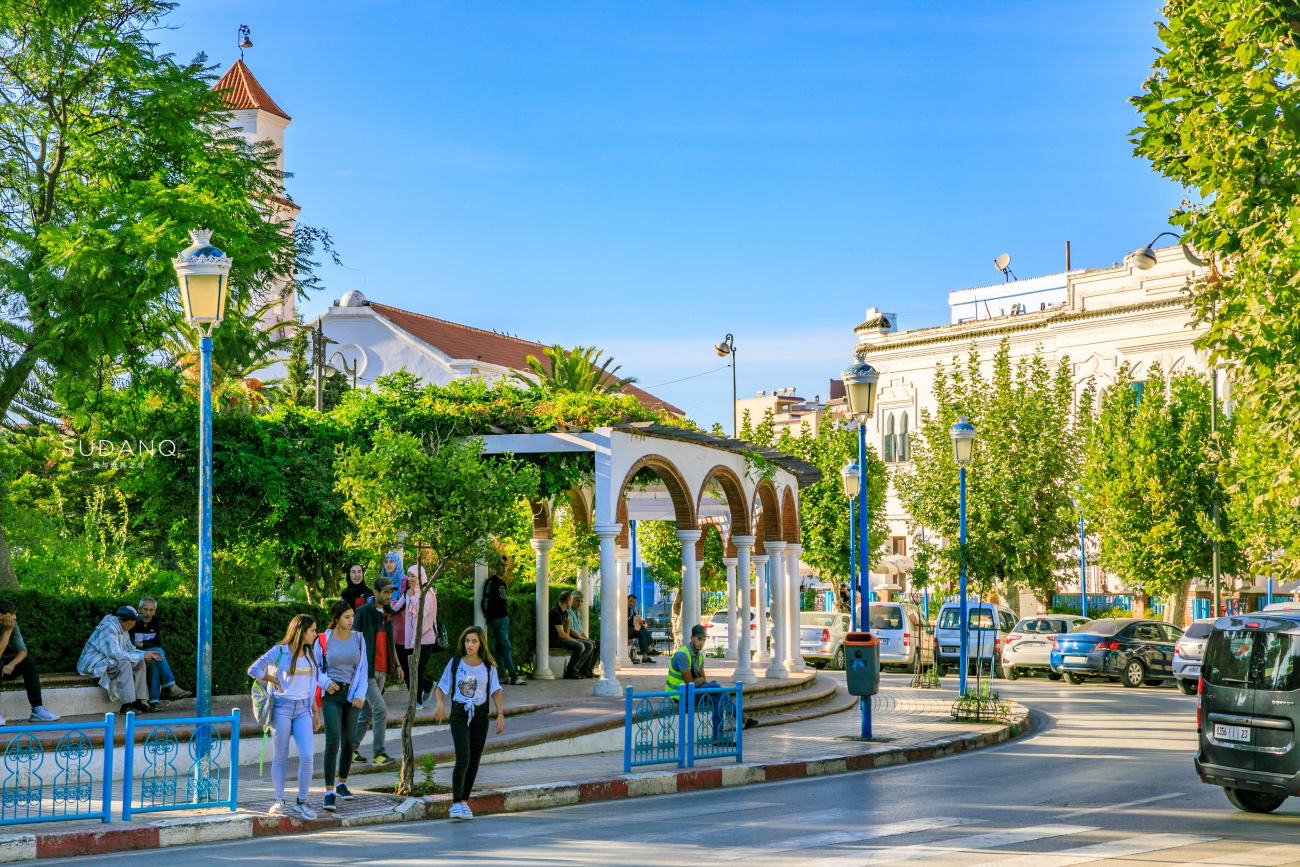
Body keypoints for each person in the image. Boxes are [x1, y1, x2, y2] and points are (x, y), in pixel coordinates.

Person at [248, 614, 323, 819]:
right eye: (312, 630)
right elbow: (252, 669)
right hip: (281, 707)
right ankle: (279, 800)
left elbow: (310, 687)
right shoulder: (279, 651)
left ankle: (302, 801)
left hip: (303, 710)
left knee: (307, 756)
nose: (315, 634)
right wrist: (272, 678)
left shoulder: (310, 654)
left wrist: (315, 712)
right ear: (301, 632)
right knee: (280, 756)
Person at [433, 625, 504, 820]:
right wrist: (440, 703)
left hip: (480, 716)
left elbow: (496, 691)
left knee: (474, 760)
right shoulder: (456, 662)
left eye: (473, 641)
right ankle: (455, 803)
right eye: (466, 641)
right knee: (463, 757)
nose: (469, 645)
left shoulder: (489, 665)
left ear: (481, 643)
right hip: (460, 714)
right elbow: (441, 687)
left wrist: (500, 714)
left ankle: (465, 801)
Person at [314, 600, 367, 812]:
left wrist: (361, 695)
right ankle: (329, 791)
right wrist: (326, 682)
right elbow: (315, 666)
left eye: (352, 616)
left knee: (348, 742)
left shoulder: (359, 639)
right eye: (346, 617)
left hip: (352, 695)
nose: (351, 620)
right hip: (331, 695)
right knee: (332, 740)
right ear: (336, 619)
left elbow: (363, 669)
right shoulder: (322, 640)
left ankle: (342, 783)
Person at [667, 625, 757, 743]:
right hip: (679, 695)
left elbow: (702, 678)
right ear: (692, 638)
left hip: (691, 692)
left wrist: (703, 681)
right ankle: (743, 717)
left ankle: (717, 738)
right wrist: (703, 681)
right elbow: (690, 684)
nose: (701, 643)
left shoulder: (699, 656)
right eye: (699, 639)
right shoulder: (682, 655)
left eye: (704, 640)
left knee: (716, 699)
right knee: (717, 687)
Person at [77, 605, 161, 714]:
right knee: (125, 663)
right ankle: (126, 705)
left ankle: (138, 702)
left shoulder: (123, 629)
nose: (135, 624)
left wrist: (145, 654)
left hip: (108, 661)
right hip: (93, 663)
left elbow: (129, 649)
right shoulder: (108, 628)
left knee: (140, 662)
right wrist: (141, 655)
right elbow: (115, 654)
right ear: (128, 622)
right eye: (134, 621)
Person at [352, 577, 400, 767]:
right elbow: (354, 641)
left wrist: (397, 665)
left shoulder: (388, 614)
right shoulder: (363, 613)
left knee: (367, 714)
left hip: (383, 670)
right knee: (380, 709)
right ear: (376, 593)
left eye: (391, 592)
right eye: (386, 592)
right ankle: (379, 753)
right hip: (367, 672)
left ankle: (350, 750)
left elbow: (390, 643)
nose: (389, 596)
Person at [0, 600, 59, 723]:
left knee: (29, 662)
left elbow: (23, 650)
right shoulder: (9, 627)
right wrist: (7, 631)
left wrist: (12, 664)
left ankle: (38, 710)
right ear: (2, 615)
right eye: (12, 614)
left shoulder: (13, 624)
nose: (15, 617)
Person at [129, 597, 191, 707]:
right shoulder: (133, 623)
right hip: (134, 654)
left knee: (154, 661)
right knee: (158, 652)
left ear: (154, 612)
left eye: (151, 610)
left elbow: (157, 644)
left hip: (149, 653)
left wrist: (142, 644)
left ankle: (154, 702)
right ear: (139, 610)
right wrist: (145, 650)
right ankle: (171, 686)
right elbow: (131, 645)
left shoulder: (156, 622)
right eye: (145, 609)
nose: (148, 613)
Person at [393, 564, 437, 708]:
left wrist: (411, 598)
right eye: (408, 575)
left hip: (425, 638)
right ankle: (425, 688)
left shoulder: (428, 592)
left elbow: (422, 612)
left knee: (418, 669)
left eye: (413, 575)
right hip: (411, 638)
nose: (409, 578)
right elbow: (397, 607)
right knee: (409, 668)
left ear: (420, 576)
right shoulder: (410, 592)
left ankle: (417, 701)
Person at [481, 567, 523, 685]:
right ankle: (513, 675)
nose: (504, 568)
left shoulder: (503, 583)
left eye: (505, 566)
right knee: (505, 646)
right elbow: (486, 597)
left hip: (504, 618)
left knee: (500, 647)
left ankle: (501, 675)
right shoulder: (491, 581)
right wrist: (486, 612)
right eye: (501, 565)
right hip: (497, 618)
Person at [380, 552, 409, 685]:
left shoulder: (404, 580)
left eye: (392, 561)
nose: (389, 564)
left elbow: (406, 601)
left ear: (397, 563)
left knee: (403, 659)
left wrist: (391, 606)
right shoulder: (382, 581)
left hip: (402, 624)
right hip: (386, 623)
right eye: (386, 561)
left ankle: (422, 687)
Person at [549, 590, 592, 680]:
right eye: (572, 600)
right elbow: (561, 634)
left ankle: (576, 669)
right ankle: (570, 671)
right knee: (580, 645)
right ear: (569, 601)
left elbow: (566, 631)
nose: (572, 603)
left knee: (589, 644)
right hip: (554, 640)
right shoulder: (556, 611)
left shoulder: (564, 611)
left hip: (561, 639)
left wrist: (568, 621)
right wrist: (573, 640)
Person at [566, 591, 596, 677]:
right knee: (589, 644)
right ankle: (576, 669)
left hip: (578, 636)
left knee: (596, 643)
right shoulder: (568, 611)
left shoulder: (577, 612)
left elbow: (581, 630)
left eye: (581, 601)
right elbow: (572, 631)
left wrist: (587, 638)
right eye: (577, 601)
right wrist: (585, 640)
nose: (580, 603)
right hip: (572, 636)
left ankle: (588, 670)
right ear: (572, 600)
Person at [627, 594, 659, 662]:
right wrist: (635, 614)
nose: (631, 603)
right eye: (630, 601)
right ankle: (650, 648)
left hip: (628, 630)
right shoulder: (624, 610)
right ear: (626, 600)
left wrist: (635, 615)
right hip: (624, 631)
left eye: (633, 602)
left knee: (641, 633)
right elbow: (629, 623)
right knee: (641, 627)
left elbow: (631, 622)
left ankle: (645, 657)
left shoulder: (629, 610)